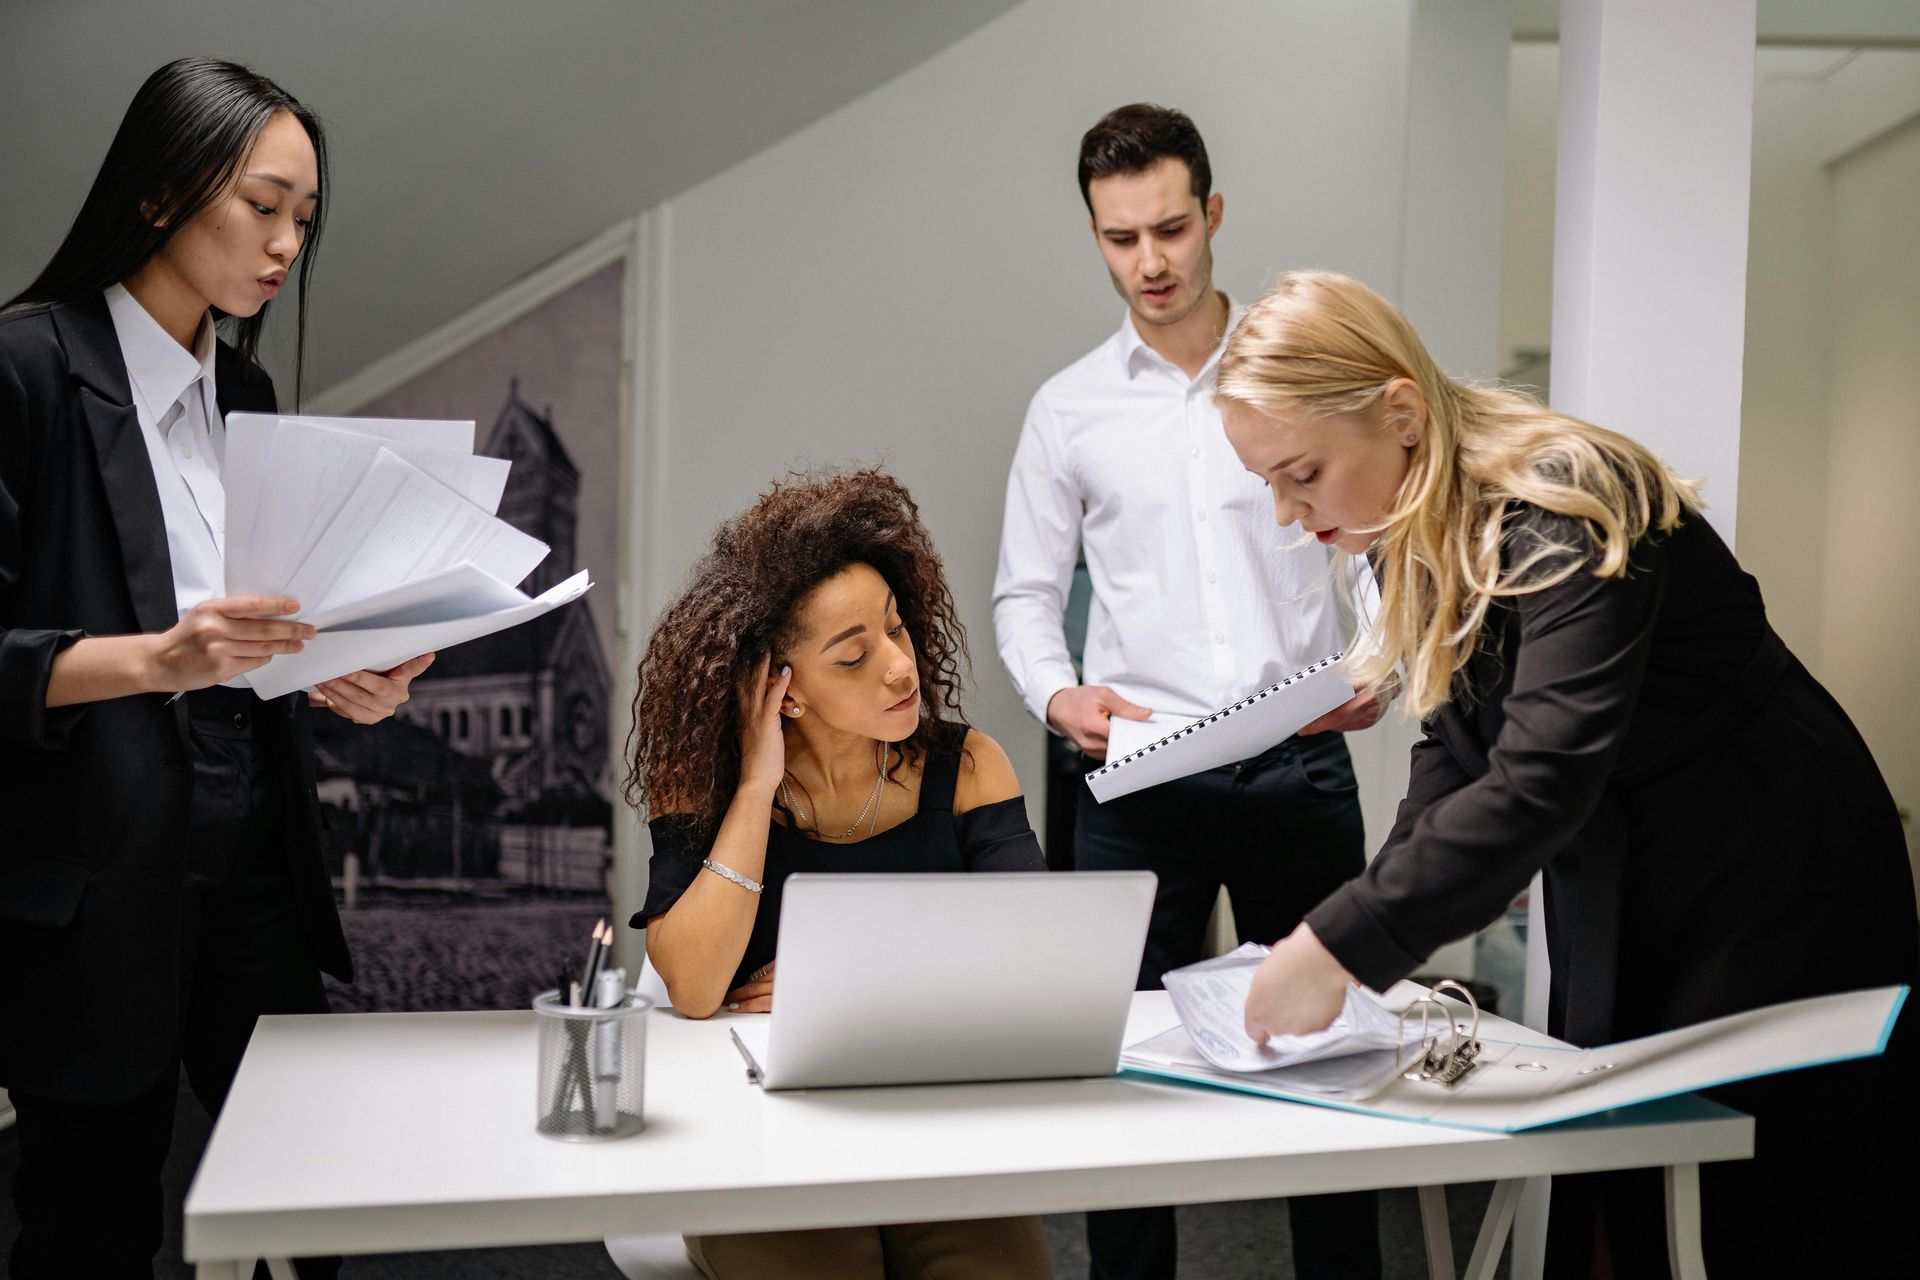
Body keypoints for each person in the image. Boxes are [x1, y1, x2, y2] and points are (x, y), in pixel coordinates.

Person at [1217, 269, 1919, 1276]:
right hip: (1633, 858)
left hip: (1773, 862)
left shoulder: (1569, 500)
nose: (1287, 512)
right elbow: (1453, 748)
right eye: (1269, 483)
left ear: (1402, 413)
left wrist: (1340, 944)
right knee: (1629, 1175)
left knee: (1767, 1188)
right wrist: (1353, 922)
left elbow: (1539, 775)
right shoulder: (1395, 536)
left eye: (1302, 472)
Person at [0, 58, 434, 1278]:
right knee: (88, 1229)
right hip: (95, 882)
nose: (288, 241)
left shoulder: (242, 389)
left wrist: (341, 675)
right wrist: (165, 657)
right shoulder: (26, 367)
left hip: (252, 865)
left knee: (310, 1218)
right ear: (158, 194)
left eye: (307, 218)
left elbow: (251, 641)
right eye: (264, 204)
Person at [992, 104, 1383, 1280]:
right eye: (1121, 239)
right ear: (1096, 238)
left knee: (1334, 1057)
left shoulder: (1296, 377)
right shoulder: (1066, 408)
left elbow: (1367, 542)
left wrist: (1376, 665)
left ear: (1214, 216)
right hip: (1137, 778)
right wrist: (1058, 698)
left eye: (1170, 228)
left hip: (1302, 761)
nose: (1150, 262)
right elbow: (1022, 594)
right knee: (1128, 1072)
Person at [627, 468, 1054, 1280]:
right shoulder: (702, 785)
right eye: (853, 657)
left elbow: (1035, 961)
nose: (901, 668)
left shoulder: (967, 769)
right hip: (757, 1126)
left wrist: (846, 981)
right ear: (783, 691)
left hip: (932, 1118)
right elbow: (691, 985)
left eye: (896, 630)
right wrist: (755, 787)